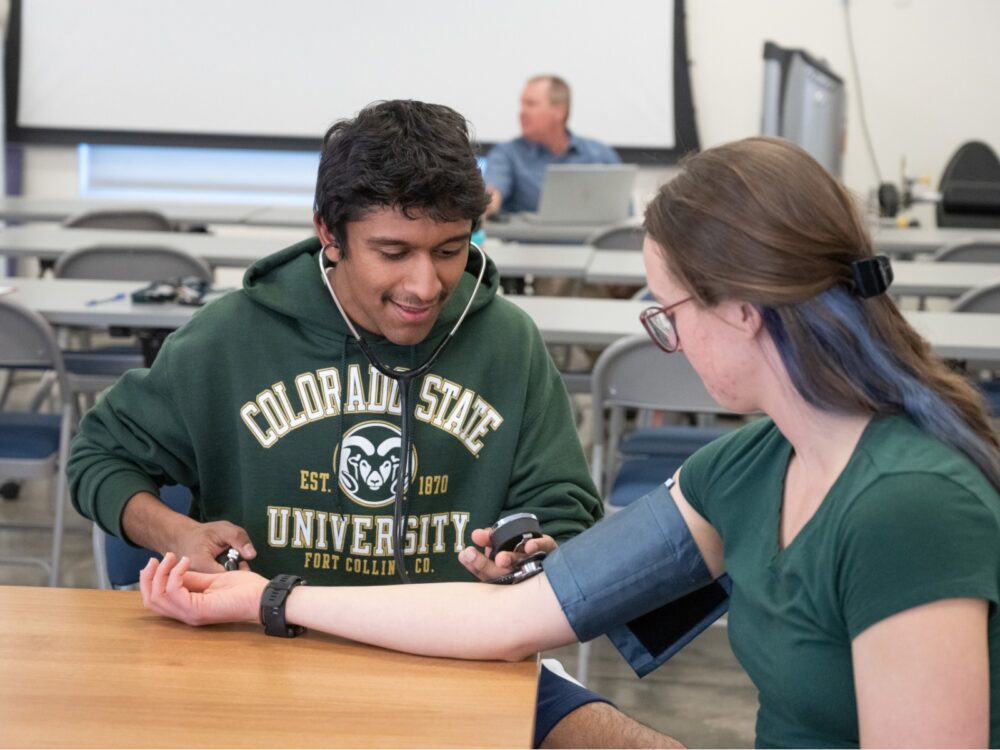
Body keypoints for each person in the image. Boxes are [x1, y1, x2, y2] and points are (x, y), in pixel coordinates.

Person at [141, 137, 1000, 748]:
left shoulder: (906, 507)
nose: (670, 339)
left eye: (666, 313)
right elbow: (514, 614)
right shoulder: (749, 468)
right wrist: (266, 598)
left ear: (741, 308)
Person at [68, 99, 679, 749]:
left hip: (458, 657)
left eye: (451, 249)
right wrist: (175, 531)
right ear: (329, 234)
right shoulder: (231, 337)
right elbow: (99, 456)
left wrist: (531, 553)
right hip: (264, 651)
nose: (425, 284)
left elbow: (562, 506)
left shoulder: (507, 342)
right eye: (393, 252)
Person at [484, 75, 621, 216]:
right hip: (527, 238)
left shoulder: (600, 156)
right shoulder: (507, 154)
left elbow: (623, 213)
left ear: (559, 111)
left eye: (531, 104)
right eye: (522, 104)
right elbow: (493, 192)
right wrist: (485, 202)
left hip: (588, 237)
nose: (522, 112)